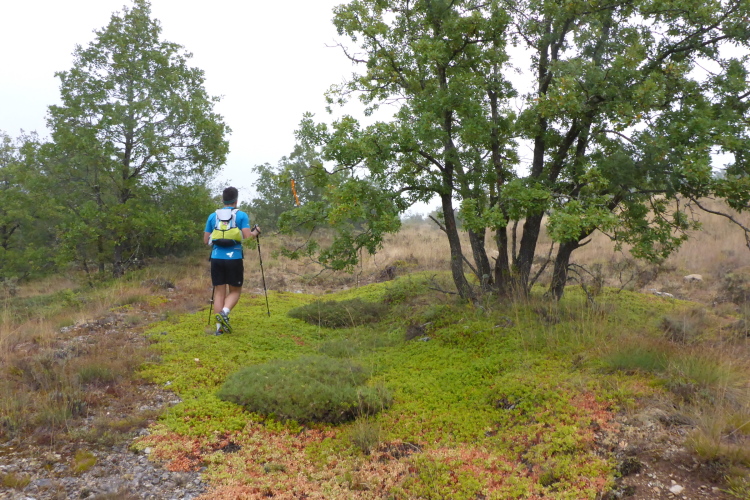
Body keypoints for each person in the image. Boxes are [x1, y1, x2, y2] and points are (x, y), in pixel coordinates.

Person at [203, 187, 260, 335]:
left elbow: (205, 240)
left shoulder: (213, 216)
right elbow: (248, 238)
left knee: (219, 292)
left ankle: (219, 329)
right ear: (236, 200)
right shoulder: (241, 215)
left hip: (216, 258)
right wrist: (256, 232)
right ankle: (224, 313)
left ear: (223, 200)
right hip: (234, 258)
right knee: (235, 291)